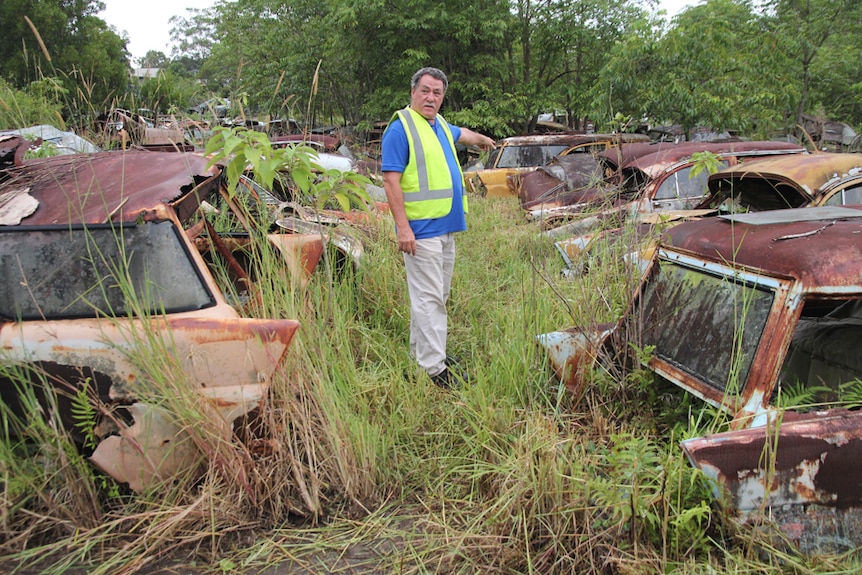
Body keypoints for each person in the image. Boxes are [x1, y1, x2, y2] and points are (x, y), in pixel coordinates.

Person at [381, 67, 496, 389]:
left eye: (437, 93)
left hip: (445, 226)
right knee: (429, 299)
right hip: (421, 231)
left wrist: (482, 140)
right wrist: (403, 229)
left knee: (435, 297)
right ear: (413, 92)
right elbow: (390, 181)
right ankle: (434, 370)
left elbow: (463, 133)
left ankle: (424, 356)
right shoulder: (400, 129)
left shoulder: (439, 125)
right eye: (425, 91)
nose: (431, 97)